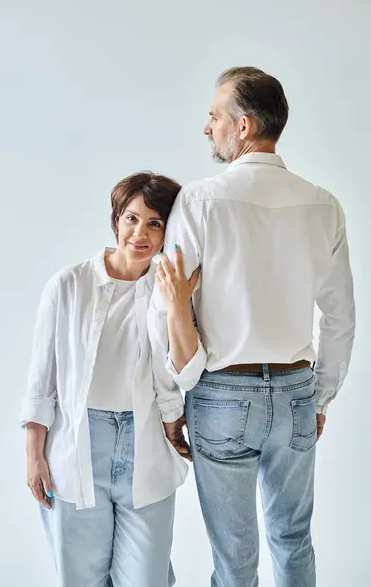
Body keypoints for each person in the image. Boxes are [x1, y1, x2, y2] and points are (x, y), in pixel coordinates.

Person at [149, 66, 355, 587]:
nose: (206, 127)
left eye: (214, 116)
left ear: (243, 127)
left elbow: (165, 305)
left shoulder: (198, 201)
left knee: (235, 558)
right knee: (293, 540)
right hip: (294, 394)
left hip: (220, 394)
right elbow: (341, 316)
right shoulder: (324, 205)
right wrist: (320, 399)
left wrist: (172, 404)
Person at [20, 171, 197, 587]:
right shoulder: (69, 285)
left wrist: (178, 307)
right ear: (116, 219)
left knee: (147, 580)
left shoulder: (169, 288)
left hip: (146, 442)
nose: (141, 233)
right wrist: (34, 455)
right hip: (78, 445)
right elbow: (42, 381)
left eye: (155, 223)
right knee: (81, 578)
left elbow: (186, 368)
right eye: (132, 218)